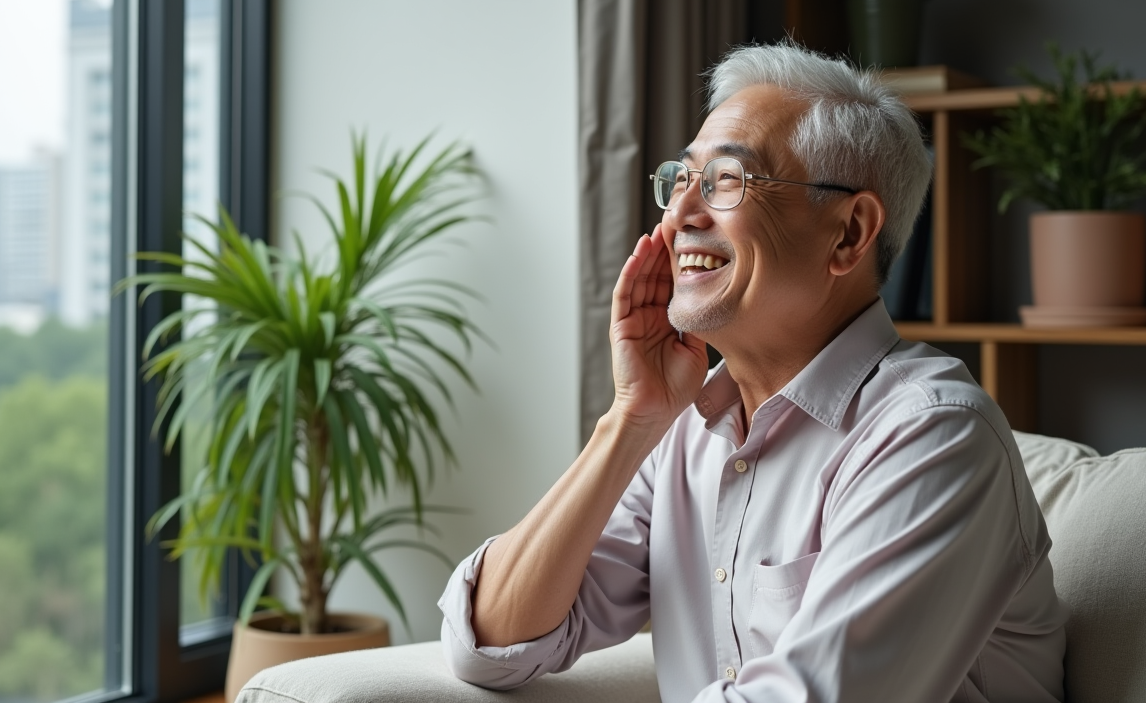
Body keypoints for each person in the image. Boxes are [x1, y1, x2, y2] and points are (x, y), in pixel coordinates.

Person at [437, 43, 1067, 703]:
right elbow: (490, 645)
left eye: (726, 181)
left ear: (849, 233)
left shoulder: (933, 435)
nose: (679, 216)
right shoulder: (683, 435)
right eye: (681, 181)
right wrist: (630, 418)